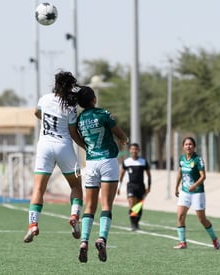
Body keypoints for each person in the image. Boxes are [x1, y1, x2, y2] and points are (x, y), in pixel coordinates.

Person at [23, 71, 85, 243]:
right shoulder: (71, 106)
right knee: (76, 186)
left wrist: (47, 119)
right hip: (64, 147)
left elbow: (37, 113)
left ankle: (33, 225)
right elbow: (73, 133)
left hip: (44, 147)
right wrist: (86, 146)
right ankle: (74, 216)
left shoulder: (44, 99)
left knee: (38, 189)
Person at [75, 86, 129, 263]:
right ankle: (101, 239)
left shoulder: (80, 118)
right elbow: (120, 134)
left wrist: (88, 147)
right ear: (93, 99)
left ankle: (84, 242)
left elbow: (77, 137)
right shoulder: (103, 113)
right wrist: (124, 140)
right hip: (107, 161)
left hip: (90, 163)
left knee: (89, 206)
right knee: (106, 205)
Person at [174, 137, 220, 250]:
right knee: (180, 215)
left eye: (190, 144)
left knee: (202, 219)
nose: (188, 146)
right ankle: (182, 242)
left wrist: (194, 185)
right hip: (185, 192)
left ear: (194, 146)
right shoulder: (181, 159)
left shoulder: (198, 159)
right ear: (183, 146)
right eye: (186, 144)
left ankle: (214, 238)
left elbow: (203, 176)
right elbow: (180, 174)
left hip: (197, 193)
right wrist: (176, 187)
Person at [117, 143, 151, 231]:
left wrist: (149, 187)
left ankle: (136, 222)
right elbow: (121, 175)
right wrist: (119, 187)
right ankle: (133, 224)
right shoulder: (126, 162)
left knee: (139, 206)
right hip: (131, 186)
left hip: (141, 186)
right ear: (130, 150)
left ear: (138, 150)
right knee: (132, 204)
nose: (134, 151)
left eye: (136, 149)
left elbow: (149, 175)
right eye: (132, 149)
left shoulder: (143, 161)